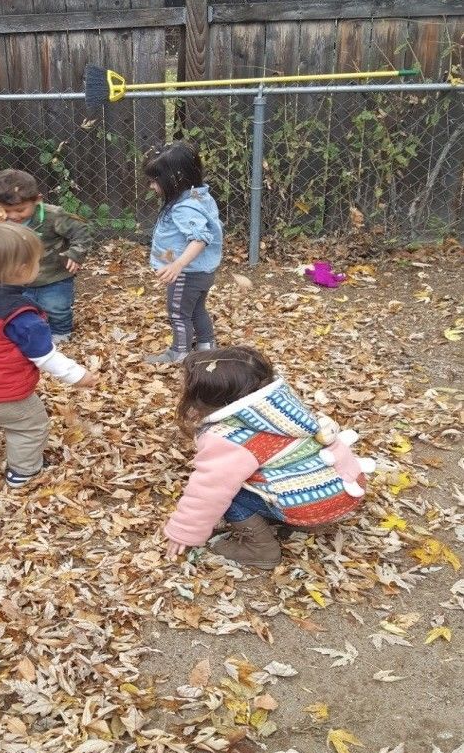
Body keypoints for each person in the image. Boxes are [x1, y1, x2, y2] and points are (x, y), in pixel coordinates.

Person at [164, 347, 375, 568]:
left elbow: (209, 491)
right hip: (341, 487)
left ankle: (260, 549)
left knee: (227, 491)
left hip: (310, 501)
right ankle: (294, 519)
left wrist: (183, 532)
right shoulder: (278, 408)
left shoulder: (231, 437)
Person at [0, 222, 97, 488]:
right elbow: (45, 357)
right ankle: (23, 471)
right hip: (3, 394)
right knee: (30, 425)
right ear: (21, 271)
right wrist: (78, 376)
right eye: (36, 261)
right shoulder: (19, 315)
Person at [0, 169, 92, 343]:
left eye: (20, 210)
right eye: (7, 210)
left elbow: (81, 231)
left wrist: (75, 254)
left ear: (37, 199)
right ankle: (25, 331)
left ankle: (60, 333)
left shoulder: (53, 216)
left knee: (57, 307)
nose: (13, 216)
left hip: (54, 274)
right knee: (20, 306)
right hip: (16, 277)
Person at [144, 142, 223, 364]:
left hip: (187, 273)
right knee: (197, 309)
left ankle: (179, 352)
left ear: (174, 179)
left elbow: (200, 238)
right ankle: (206, 347)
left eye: (154, 181)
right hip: (203, 272)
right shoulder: (199, 196)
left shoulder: (184, 207)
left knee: (178, 313)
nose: (151, 186)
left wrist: (177, 265)